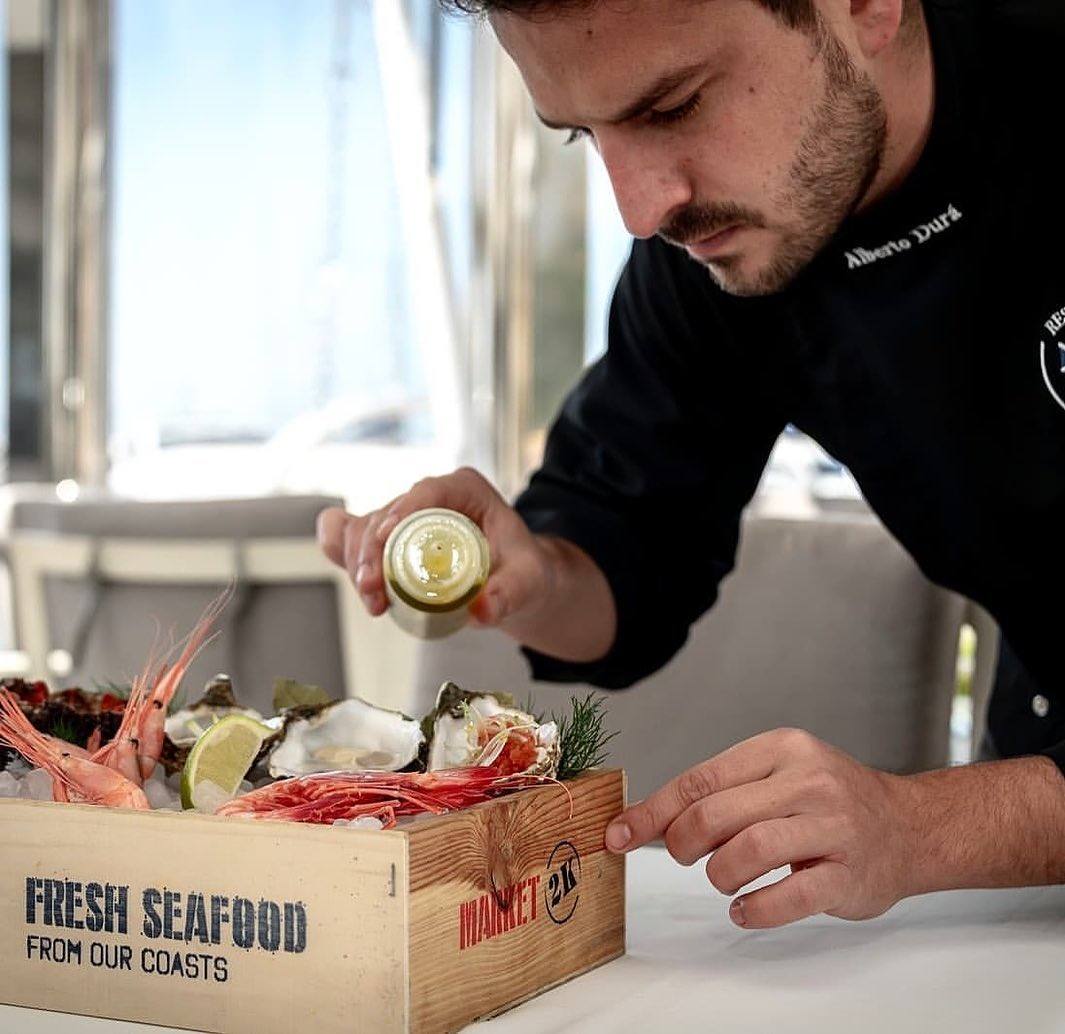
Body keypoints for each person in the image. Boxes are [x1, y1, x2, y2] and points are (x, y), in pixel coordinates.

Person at [318, 0, 1065, 929]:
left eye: (672, 107)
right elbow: (626, 558)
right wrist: (533, 573)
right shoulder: (715, 251)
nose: (639, 210)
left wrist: (922, 827)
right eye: (581, 137)